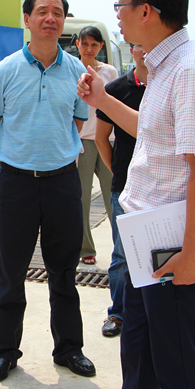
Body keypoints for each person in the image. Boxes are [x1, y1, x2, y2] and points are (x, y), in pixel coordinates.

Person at [78, 0, 195, 389]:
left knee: (179, 368)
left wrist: (192, 254)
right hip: (145, 238)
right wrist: (102, 100)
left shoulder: (192, 69)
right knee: (139, 360)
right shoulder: (165, 65)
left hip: (171, 245)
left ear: (147, 11)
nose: (117, 15)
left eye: (121, 4)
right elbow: (154, 131)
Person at [0, 0, 95, 383]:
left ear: (64, 21)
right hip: (16, 183)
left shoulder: (78, 72)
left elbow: (76, 122)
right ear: (27, 19)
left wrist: (51, 153)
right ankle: (4, 351)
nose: (50, 18)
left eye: (58, 12)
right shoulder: (6, 70)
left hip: (63, 182)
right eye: (42, 11)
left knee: (64, 271)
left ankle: (69, 348)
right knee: (10, 270)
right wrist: (23, 153)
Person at [95, 43, 147, 338]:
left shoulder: (168, 86)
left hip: (161, 188)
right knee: (122, 254)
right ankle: (118, 313)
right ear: (131, 49)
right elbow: (102, 138)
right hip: (125, 188)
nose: (145, 50)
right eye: (138, 45)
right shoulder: (115, 89)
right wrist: (118, 172)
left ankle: (150, 312)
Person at [75, 25, 118, 265]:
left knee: (114, 195)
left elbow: (115, 104)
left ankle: (122, 247)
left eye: (94, 44)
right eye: (85, 44)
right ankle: (85, 249)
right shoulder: (71, 69)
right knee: (81, 197)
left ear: (101, 46)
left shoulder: (110, 72)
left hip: (107, 139)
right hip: (82, 142)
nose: (89, 49)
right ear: (78, 44)